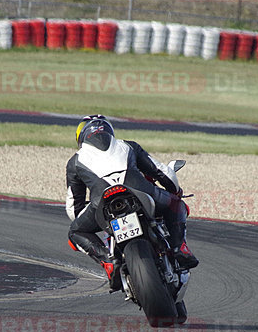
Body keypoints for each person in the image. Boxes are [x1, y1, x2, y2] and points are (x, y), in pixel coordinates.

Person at [65, 114, 198, 286]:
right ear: (109, 131)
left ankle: (108, 260)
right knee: (176, 204)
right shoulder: (127, 145)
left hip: (103, 204)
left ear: (80, 137)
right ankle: (179, 247)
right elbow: (162, 172)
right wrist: (176, 190)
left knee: (75, 232)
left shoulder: (75, 161)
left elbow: (73, 209)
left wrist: (87, 215)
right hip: (140, 191)